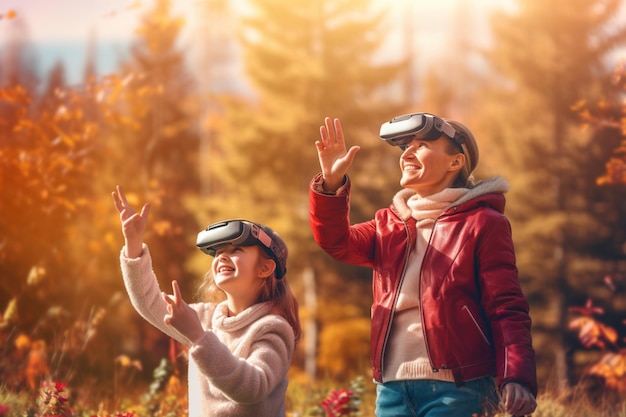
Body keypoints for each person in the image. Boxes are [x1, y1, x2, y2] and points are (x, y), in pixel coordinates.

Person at [308, 113, 537, 417]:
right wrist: (331, 183)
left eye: (423, 144)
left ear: (455, 162)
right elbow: (336, 241)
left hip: (460, 387)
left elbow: (505, 306)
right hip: (391, 386)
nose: (408, 153)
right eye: (405, 147)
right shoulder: (387, 224)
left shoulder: (483, 224)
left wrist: (515, 375)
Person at [112, 185, 301, 417]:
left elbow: (253, 388)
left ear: (265, 268)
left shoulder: (273, 328)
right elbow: (148, 302)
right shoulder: (205, 318)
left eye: (236, 249)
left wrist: (198, 337)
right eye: (219, 251)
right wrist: (133, 243)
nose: (222, 255)